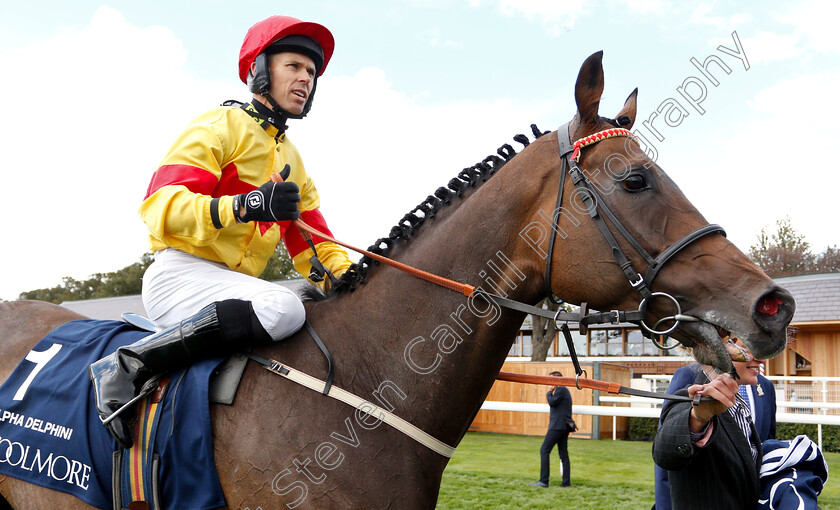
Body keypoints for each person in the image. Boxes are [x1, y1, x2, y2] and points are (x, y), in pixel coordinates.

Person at [88, 15, 353, 448]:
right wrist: (244, 205)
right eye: (294, 67)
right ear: (262, 71)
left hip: (234, 289)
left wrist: (354, 281)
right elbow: (160, 208)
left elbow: (315, 246)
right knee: (286, 308)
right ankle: (129, 363)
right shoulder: (218, 126)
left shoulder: (294, 160)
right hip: (180, 276)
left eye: (311, 72)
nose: (305, 79)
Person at [652, 339, 774, 509]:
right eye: (748, 348)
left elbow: (765, 447)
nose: (762, 359)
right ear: (716, 347)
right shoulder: (690, 382)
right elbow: (666, 451)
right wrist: (698, 417)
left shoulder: (761, 388)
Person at [529, 371, 573, 488]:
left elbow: (552, 402)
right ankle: (566, 483)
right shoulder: (564, 390)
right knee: (563, 454)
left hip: (557, 426)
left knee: (544, 450)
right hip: (564, 426)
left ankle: (543, 481)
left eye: (550, 380)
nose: (549, 383)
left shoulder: (560, 389)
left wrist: (549, 391)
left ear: (556, 380)